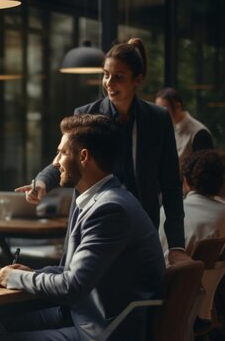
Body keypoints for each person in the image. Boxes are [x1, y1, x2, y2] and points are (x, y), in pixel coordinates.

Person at [0, 114, 165, 341]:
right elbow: (74, 271)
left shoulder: (110, 209)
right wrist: (31, 273)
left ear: (83, 156)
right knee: (10, 320)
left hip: (108, 334)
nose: (55, 162)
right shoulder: (99, 198)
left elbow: (73, 285)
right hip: (98, 315)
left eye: (61, 153)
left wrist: (15, 278)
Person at [17, 38, 187, 266]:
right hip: (94, 221)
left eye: (118, 77)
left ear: (137, 80)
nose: (108, 82)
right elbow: (65, 160)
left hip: (140, 225)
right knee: (82, 286)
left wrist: (176, 246)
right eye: (106, 74)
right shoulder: (87, 115)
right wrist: (41, 183)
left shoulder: (158, 119)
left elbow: (171, 185)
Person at [160, 149, 225, 261]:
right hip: (213, 278)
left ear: (185, 181)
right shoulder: (222, 213)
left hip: (170, 277)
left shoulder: (167, 211)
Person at [155, 87, 214, 168]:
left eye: (164, 110)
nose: (159, 115)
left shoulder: (199, 133)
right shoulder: (167, 128)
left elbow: (205, 170)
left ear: (177, 106)